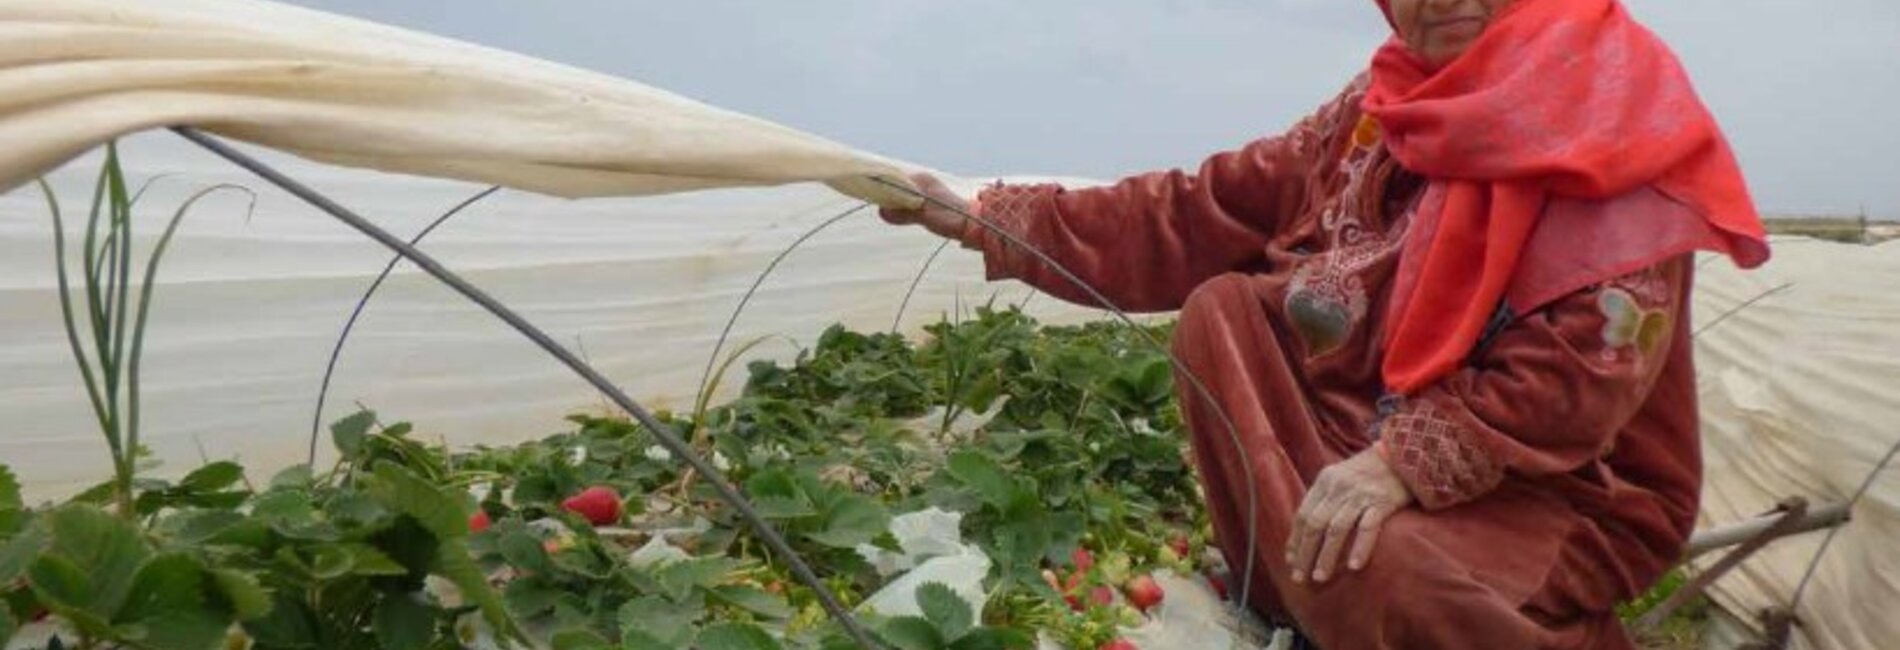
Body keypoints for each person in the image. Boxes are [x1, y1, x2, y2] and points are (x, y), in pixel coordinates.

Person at [879, 0, 1770, 648]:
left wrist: (1402, 468)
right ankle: (1298, 587)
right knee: (1224, 313)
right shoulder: (1382, 108)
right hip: (1371, 430)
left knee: (1378, 572)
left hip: (1565, 484)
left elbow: (1591, 363)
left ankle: (1400, 599)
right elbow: (1206, 209)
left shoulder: (1611, 102)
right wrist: (986, 214)